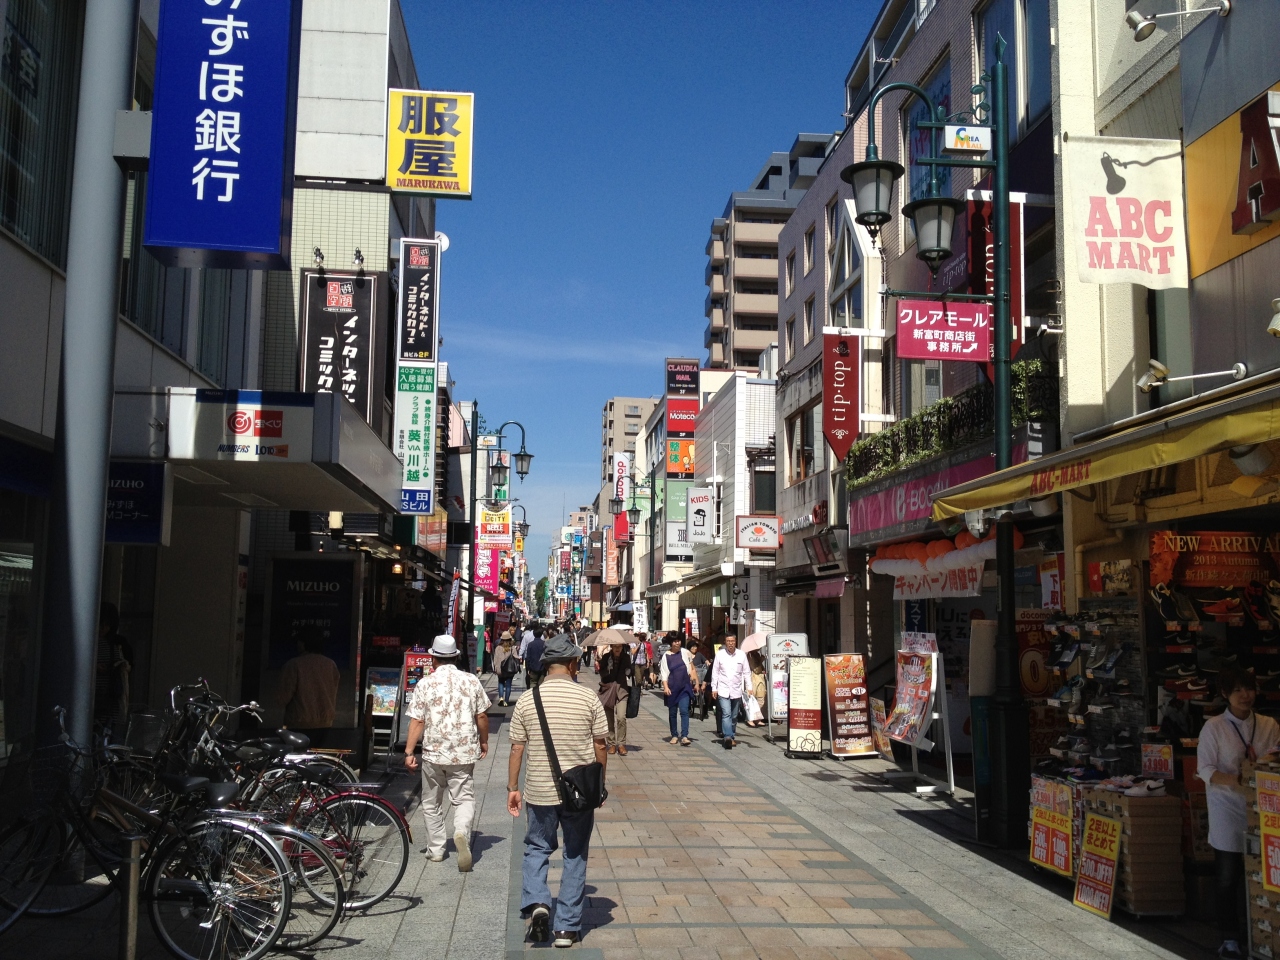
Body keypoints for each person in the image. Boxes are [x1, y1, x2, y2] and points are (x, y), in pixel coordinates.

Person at [507, 634, 608, 948]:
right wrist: (599, 784)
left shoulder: (528, 699)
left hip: (539, 789)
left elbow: (517, 747)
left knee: (537, 848)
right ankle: (566, 928)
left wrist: (513, 787)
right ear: (573, 663)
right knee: (575, 854)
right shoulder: (588, 697)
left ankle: (538, 902)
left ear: (546, 664)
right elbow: (600, 745)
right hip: (579, 792)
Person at [1198, 668, 1280, 959]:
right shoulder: (1214, 727)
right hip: (1226, 807)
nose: (1245, 695)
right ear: (1225, 695)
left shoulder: (1269, 723)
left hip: (1263, 808)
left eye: (1249, 689)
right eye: (1237, 691)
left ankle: (1261, 934)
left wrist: (1266, 762)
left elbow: (1275, 754)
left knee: (1263, 873)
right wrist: (1240, 779)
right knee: (1227, 875)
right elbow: (1205, 769)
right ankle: (1229, 937)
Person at [404, 634, 491, 871]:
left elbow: (417, 721)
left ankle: (436, 849)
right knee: (463, 797)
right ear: (456, 657)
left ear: (433, 658)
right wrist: (483, 740)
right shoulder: (471, 681)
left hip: (433, 752)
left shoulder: (425, 684)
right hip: (463, 752)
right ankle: (461, 832)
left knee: (431, 802)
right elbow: (482, 715)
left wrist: (409, 752)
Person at [276, 623, 340, 747]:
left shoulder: (294, 665)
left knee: (297, 756)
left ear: (303, 643)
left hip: (298, 723)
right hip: (325, 723)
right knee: (316, 755)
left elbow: (282, 698)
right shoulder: (330, 664)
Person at [95, 602, 133, 728]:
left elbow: (130, 665)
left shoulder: (118, 643)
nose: (103, 628)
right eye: (101, 624)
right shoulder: (90, 641)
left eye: (107, 625)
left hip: (111, 697)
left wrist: (122, 667)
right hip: (93, 697)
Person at [710, 634, 749, 749]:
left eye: (732, 641)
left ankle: (731, 735)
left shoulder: (741, 655)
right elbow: (715, 672)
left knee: (734, 715)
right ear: (725, 642)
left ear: (735, 642)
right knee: (726, 713)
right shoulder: (720, 655)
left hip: (736, 690)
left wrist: (749, 687)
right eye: (728, 641)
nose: (730, 643)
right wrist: (714, 688)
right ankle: (727, 737)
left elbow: (746, 672)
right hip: (723, 689)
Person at [660, 634, 698, 746]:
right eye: (675, 641)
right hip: (672, 687)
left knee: (684, 710)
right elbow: (664, 673)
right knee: (672, 713)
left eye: (678, 640)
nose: (677, 643)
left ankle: (684, 736)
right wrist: (666, 687)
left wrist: (696, 682)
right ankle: (674, 735)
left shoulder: (685, 652)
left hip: (685, 687)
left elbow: (692, 668)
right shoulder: (666, 656)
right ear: (670, 643)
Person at [596, 642, 632, 756]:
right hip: (608, 690)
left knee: (621, 717)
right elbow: (601, 672)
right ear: (611, 647)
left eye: (619, 646)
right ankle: (611, 743)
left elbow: (629, 672)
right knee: (609, 718)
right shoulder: (606, 657)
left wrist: (628, 670)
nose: (617, 648)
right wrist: (606, 668)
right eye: (615, 646)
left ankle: (621, 744)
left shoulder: (626, 657)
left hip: (622, 690)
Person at [495, 632, 519, 706]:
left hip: (500, 669)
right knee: (508, 685)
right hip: (509, 669)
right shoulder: (512, 648)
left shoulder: (498, 648)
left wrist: (496, 668)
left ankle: (501, 697)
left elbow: (495, 659)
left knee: (501, 683)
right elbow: (516, 657)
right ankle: (506, 701)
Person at [746, 650, 768, 727]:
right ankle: (751, 719)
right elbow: (756, 669)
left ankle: (757, 718)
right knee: (753, 701)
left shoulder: (756, 655)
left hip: (760, 680)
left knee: (761, 700)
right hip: (755, 681)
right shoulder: (750, 656)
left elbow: (761, 669)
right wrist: (761, 660)